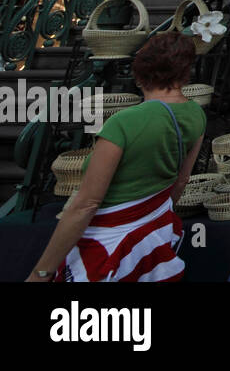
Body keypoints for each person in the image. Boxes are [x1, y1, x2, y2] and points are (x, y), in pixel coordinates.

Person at [26, 33, 205, 282]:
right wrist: (149, 216)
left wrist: (41, 272)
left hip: (107, 241)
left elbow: (85, 205)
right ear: (185, 72)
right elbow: (182, 180)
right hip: (153, 236)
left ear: (140, 72)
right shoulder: (196, 113)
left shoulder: (124, 122)